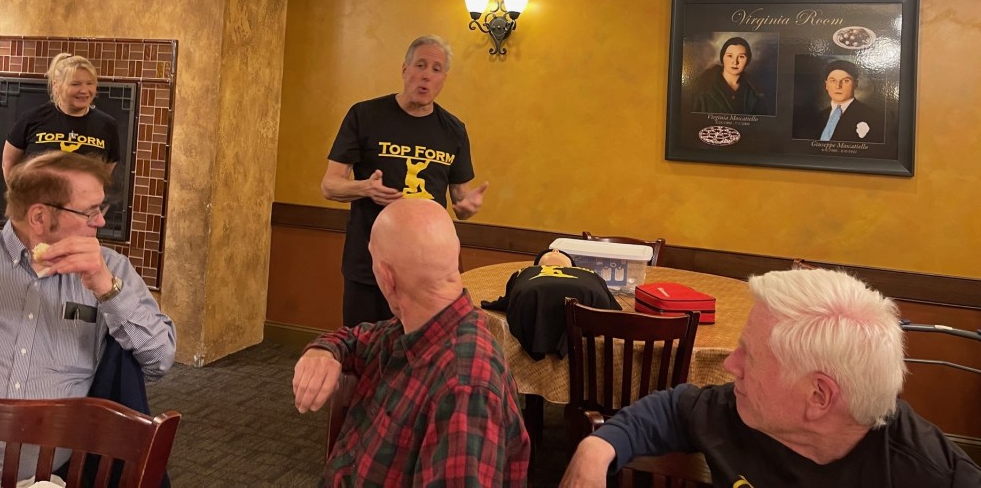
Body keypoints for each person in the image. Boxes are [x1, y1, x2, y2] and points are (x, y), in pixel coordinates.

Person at [560, 268, 981, 488]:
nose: (731, 365)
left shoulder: (930, 474)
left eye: (752, 356)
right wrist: (595, 449)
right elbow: (671, 410)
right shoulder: (741, 411)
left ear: (818, 396)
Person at [0, 151, 176, 483]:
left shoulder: (110, 269)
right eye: (90, 212)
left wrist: (106, 288)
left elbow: (160, 359)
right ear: (39, 217)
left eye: (101, 209)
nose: (100, 222)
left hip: (46, 478)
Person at [292, 199, 530, 487]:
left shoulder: (465, 386)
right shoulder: (408, 330)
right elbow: (353, 338)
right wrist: (322, 351)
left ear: (386, 278)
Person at [322, 34, 489, 326]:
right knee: (363, 347)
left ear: (444, 79)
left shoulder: (453, 130)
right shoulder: (365, 115)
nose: (427, 75)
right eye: (420, 65)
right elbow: (329, 185)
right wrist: (365, 188)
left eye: (436, 69)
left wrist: (467, 207)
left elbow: (460, 200)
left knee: (424, 350)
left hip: (428, 272)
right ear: (404, 69)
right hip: (371, 265)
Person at [481, 248, 620, 360]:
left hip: (533, 304)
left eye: (559, 252)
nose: (555, 250)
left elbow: (507, 300)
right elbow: (613, 308)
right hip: (588, 311)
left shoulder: (590, 274)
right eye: (549, 252)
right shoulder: (525, 271)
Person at [2, 53, 121, 181]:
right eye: (75, 84)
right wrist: (18, 193)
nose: (84, 90)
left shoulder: (107, 125)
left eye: (90, 83)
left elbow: (105, 172)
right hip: (39, 193)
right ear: (56, 85)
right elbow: (9, 163)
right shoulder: (32, 118)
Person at [793, 59, 884, 142]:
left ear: (855, 84)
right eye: (833, 81)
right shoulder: (816, 118)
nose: (838, 86)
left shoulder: (873, 117)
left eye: (845, 81)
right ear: (826, 85)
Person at [691, 36, 768, 115]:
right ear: (722, 58)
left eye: (741, 57)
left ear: (748, 60)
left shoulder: (755, 91)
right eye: (730, 56)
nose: (735, 62)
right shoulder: (702, 87)